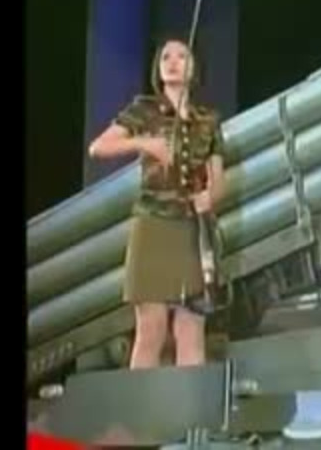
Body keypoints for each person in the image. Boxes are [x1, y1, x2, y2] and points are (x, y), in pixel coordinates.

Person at [88, 38, 227, 369]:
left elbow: (219, 177)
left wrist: (210, 196)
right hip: (153, 226)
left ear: (195, 68)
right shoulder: (145, 109)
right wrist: (145, 143)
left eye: (182, 56)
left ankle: (189, 404)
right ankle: (141, 403)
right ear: (158, 68)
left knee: (191, 328)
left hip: (193, 230)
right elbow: (99, 147)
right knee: (151, 329)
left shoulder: (208, 119)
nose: (173, 62)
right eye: (166, 57)